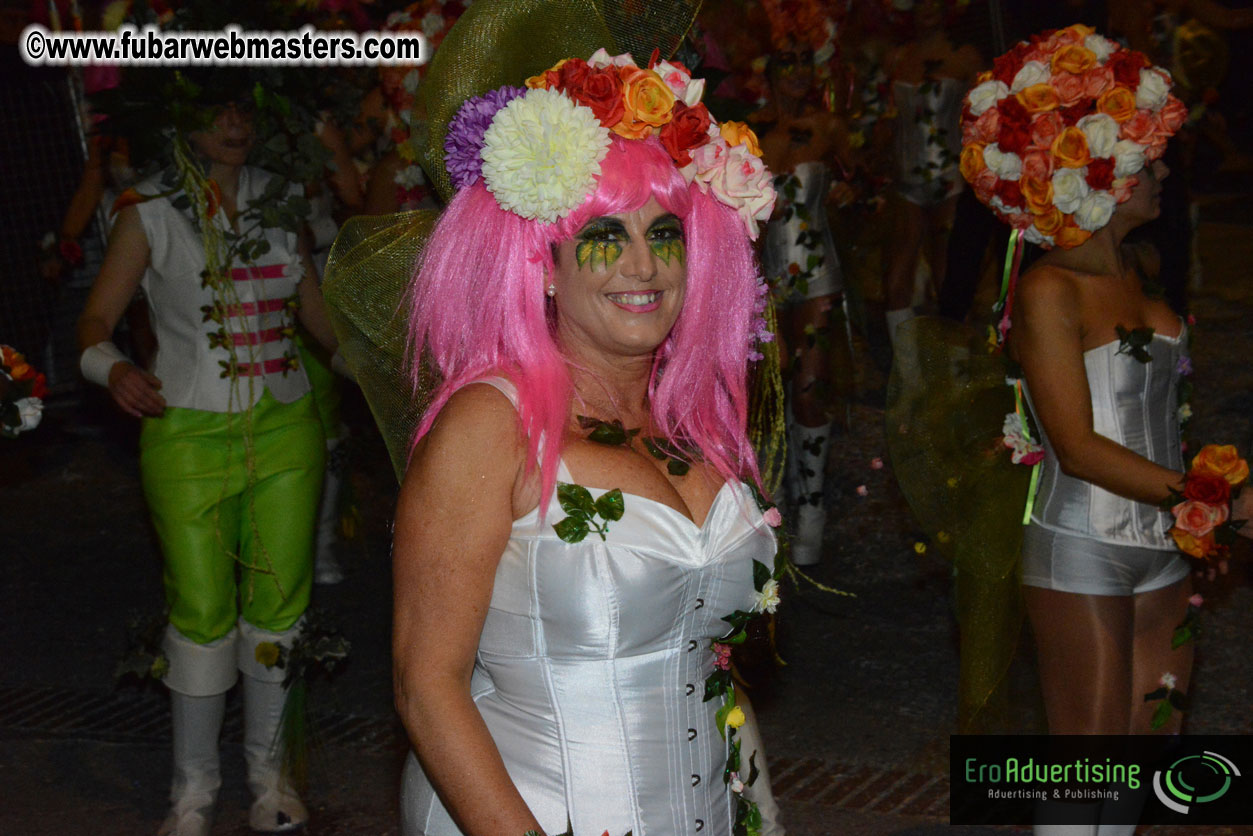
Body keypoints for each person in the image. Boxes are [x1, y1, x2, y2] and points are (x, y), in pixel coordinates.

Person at [388, 50, 783, 836]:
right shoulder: (488, 426)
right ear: (543, 263)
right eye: (605, 236)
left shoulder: (694, 423)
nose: (643, 265)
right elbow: (425, 684)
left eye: (664, 234)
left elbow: (713, 665)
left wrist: (761, 817)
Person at [957, 25, 1253, 835]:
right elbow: (1077, 446)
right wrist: (1212, 498)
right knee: (1084, 760)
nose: (1163, 175)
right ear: (1105, 178)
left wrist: (1201, 503)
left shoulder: (1140, 273)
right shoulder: (1047, 291)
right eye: (1150, 163)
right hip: (1081, 542)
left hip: (1165, 542)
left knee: (1148, 743)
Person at [76, 91, 337, 836]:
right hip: (184, 433)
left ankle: (270, 778)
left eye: (245, 111)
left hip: (287, 429)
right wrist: (113, 369)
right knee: (198, 609)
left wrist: (385, 374)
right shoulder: (148, 209)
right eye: (217, 111)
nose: (234, 125)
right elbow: (94, 321)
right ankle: (192, 792)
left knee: (280, 605)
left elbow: (318, 321)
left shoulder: (281, 199)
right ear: (180, 117)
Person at [758, 44, 857, 565]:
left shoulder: (829, 127)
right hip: (764, 282)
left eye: (805, 62)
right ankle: (775, 497)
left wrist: (848, 195)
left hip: (819, 274)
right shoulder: (748, 133)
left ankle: (813, 508)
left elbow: (866, 182)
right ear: (771, 70)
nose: (798, 72)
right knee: (771, 390)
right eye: (787, 61)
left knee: (809, 387)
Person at [881, 0, 981, 343]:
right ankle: (909, 370)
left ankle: (960, 367)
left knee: (949, 277)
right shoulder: (896, 59)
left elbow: (984, 118)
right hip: (905, 183)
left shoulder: (965, 57)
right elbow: (885, 123)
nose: (928, 6)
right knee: (896, 282)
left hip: (952, 180)